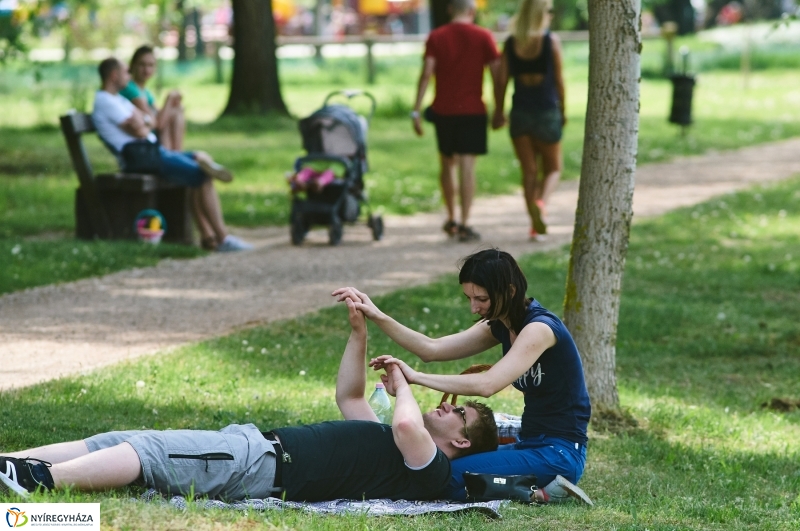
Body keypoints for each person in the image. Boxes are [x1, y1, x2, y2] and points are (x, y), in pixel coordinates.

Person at [0, 298, 498, 501]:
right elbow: (348, 395)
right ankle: (14, 463)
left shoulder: (428, 468)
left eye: (461, 413)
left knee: (148, 452)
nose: (450, 405)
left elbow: (410, 426)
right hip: (252, 446)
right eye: (456, 403)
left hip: (262, 466)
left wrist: (409, 382)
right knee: (121, 440)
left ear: (459, 443)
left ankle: (36, 482)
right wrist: (357, 335)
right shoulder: (388, 441)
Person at [332, 249, 592, 503]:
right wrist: (375, 314)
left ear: (510, 291)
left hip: (559, 453)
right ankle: (534, 489)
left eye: (481, 299)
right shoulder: (501, 324)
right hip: (529, 445)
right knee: (436, 461)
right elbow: (431, 349)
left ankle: (535, 494)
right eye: (469, 298)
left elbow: (487, 384)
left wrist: (416, 378)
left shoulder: (540, 329)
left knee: (441, 476)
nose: (473, 307)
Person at [92, 57, 251, 252]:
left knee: (200, 158)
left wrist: (143, 122)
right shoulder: (105, 101)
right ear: (114, 75)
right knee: (202, 174)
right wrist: (144, 123)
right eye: (126, 71)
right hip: (141, 157)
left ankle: (209, 237)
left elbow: (147, 121)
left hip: (151, 151)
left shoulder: (117, 99)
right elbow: (140, 130)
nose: (129, 75)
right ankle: (222, 238)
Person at [411, 0, 502, 243]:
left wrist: (416, 110)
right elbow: (496, 74)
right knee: (467, 166)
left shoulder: (437, 36)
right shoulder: (484, 36)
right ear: (472, 11)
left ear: (450, 9)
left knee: (447, 164)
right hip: (473, 110)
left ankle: (450, 217)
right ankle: (465, 221)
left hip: (444, 110)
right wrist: (500, 108)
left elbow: (427, 72)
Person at [492, 0, 566, 242]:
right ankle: (541, 205)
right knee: (554, 168)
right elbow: (559, 80)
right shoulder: (549, 41)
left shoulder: (512, 43)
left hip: (520, 113)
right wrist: (563, 111)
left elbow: (501, 80)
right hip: (546, 111)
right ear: (543, 13)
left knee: (529, 172)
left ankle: (534, 227)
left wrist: (499, 111)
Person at [120, 45, 185, 151]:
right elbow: (158, 124)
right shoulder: (130, 89)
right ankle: (176, 156)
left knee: (178, 109)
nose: (146, 70)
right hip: (141, 139)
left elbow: (159, 115)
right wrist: (169, 99)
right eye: (142, 65)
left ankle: (177, 156)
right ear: (133, 65)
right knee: (175, 113)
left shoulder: (145, 91)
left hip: (151, 136)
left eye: (151, 65)